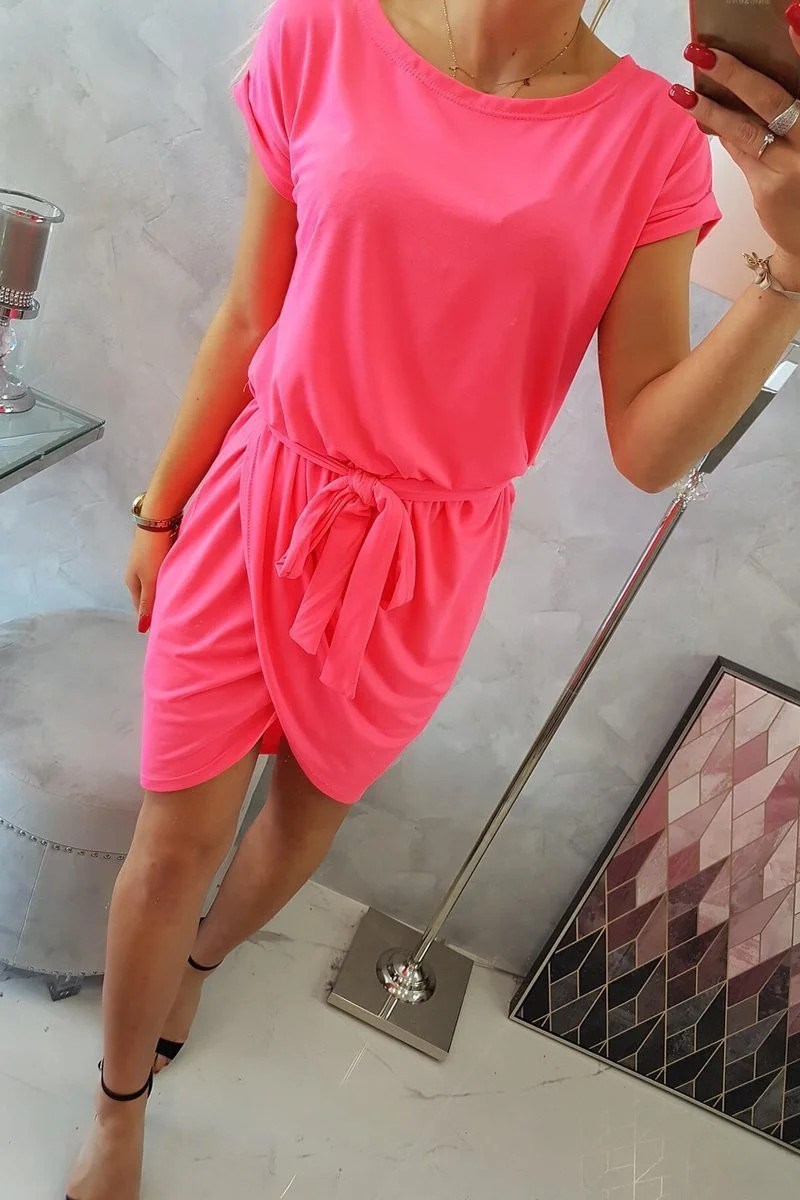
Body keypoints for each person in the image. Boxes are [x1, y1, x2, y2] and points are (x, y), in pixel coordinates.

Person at [66, 0, 800, 1195]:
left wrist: (789, 276)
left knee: (307, 818)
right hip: (262, 501)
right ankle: (117, 1112)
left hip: (425, 563)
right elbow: (250, 312)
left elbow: (647, 447)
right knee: (174, 840)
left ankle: (198, 966)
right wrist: (161, 506)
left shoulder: (648, 138)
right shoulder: (322, 32)